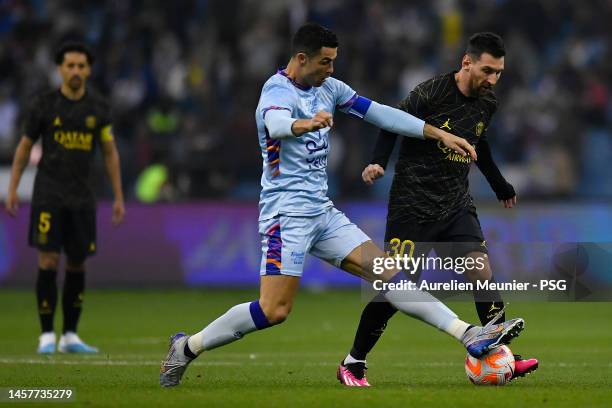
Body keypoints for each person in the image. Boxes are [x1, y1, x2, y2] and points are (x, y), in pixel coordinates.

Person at [159, 23, 525, 388]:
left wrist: (439, 132)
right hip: (286, 216)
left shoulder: (330, 89)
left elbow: (381, 113)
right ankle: (187, 347)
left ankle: (469, 335)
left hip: (322, 212)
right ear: (302, 59)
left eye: (333, 62)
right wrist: (305, 124)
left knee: (391, 276)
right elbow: (275, 123)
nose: (331, 70)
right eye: (325, 62)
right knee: (274, 310)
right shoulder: (276, 90)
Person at [337, 32, 538, 387]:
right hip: (411, 208)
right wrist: (378, 162)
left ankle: (502, 357)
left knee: (480, 270)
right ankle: (354, 361)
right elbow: (390, 122)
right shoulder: (430, 92)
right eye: (488, 71)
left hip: (457, 205)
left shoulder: (487, 102)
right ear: (467, 62)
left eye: (499, 73)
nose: (493, 80)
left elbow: (481, 144)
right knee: (397, 290)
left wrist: (500, 184)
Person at [5, 42, 125, 354]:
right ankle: (46, 334)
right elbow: (23, 147)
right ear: (60, 69)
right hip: (49, 196)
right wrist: (14, 187)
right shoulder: (43, 105)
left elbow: (110, 153)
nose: (75, 71)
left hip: (82, 198)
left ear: (88, 70)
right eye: (69, 66)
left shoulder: (98, 108)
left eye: (80, 66)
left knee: (77, 263)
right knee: (47, 259)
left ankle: (70, 334)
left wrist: (118, 196)